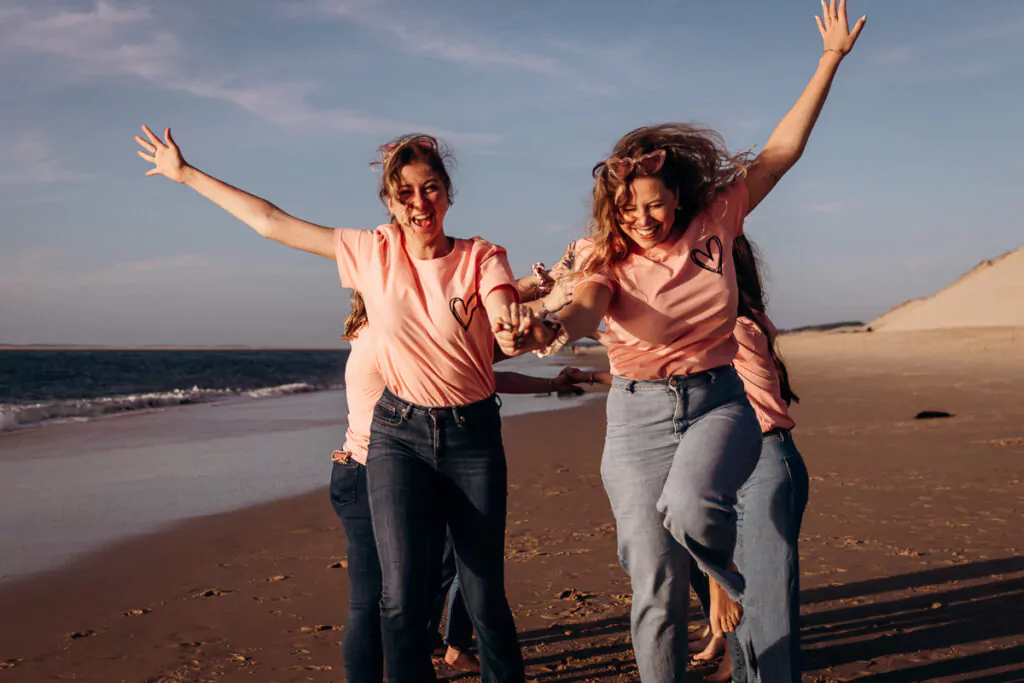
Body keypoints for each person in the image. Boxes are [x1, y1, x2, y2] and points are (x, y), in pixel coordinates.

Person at [499, 4, 865, 679]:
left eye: (657, 202)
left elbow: (780, 154)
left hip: (718, 400)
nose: (644, 217)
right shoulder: (606, 259)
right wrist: (549, 326)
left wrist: (829, 62)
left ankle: (723, 578)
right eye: (630, 207)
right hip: (636, 417)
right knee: (654, 593)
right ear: (613, 209)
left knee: (695, 506)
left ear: (680, 194)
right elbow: (586, 307)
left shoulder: (717, 219)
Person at [135, 130, 561, 683]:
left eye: (430, 189)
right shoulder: (372, 251)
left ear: (448, 193)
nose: (418, 203)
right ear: (389, 201)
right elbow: (272, 222)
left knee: (483, 595)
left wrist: (512, 322)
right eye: (404, 193)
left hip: (471, 436)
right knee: (401, 598)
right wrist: (186, 174)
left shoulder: (480, 256)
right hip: (397, 436)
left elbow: (502, 301)